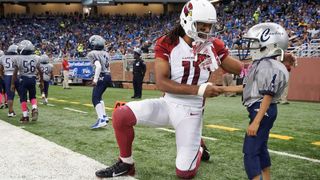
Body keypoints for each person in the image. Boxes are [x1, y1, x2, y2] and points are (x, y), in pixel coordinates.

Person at [95, 0, 242, 178]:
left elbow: (240, 69)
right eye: (201, 25)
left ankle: (199, 149)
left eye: (209, 26)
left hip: (192, 111)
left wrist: (269, 63)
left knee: (184, 173)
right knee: (121, 114)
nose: (206, 30)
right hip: (168, 103)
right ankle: (126, 163)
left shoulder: (213, 45)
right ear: (187, 21)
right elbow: (161, 83)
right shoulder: (168, 42)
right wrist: (199, 90)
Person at [221, 22, 294, 180]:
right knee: (260, 148)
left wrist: (256, 122)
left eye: (253, 43)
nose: (250, 47)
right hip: (262, 109)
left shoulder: (269, 66)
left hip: (262, 109)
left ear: (267, 45)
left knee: (251, 151)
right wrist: (221, 89)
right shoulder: (263, 64)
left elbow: (267, 95)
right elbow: (247, 88)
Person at [11, 40, 44, 123]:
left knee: (23, 98)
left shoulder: (18, 58)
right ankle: (34, 108)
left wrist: (12, 83)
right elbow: (40, 71)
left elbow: (15, 72)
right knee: (33, 96)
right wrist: (42, 81)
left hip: (23, 79)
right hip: (32, 79)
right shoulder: (36, 57)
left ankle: (25, 117)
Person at [87, 35, 112, 129]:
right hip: (108, 76)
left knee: (95, 98)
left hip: (101, 76)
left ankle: (101, 119)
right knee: (99, 96)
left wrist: (95, 80)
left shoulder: (92, 54)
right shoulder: (106, 53)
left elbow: (98, 67)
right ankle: (104, 116)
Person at [0, 45, 19, 116]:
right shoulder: (18, 57)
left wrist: (2, 75)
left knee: (10, 95)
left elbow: (1, 68)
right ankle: (25, 110)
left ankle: (10, 111)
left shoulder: (2, 57)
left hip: (7, 76)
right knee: (21, 94)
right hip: (16, 75)